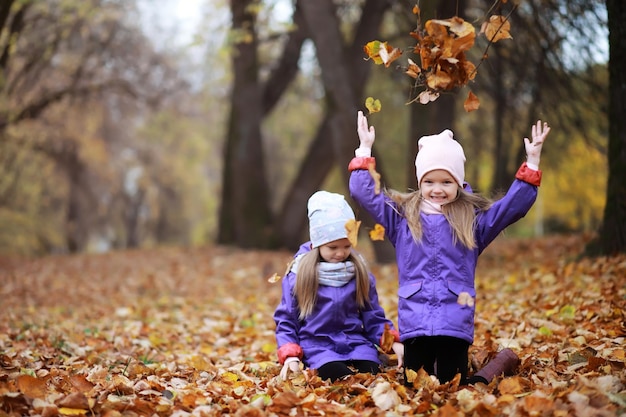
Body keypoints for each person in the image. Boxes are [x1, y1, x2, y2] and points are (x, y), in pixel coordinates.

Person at [348, 111, 550, 385]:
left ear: (458, 182)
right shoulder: (403, 218)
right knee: (414, 384)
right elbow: (365, 195)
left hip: (455, 319)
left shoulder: (472, 221)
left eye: (446, 182)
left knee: (451, 383)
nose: (437, 189)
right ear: (420, 183)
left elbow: (511, 208)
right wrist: (364, 150)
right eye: (429, 182)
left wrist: (533, 163)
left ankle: (489, 371)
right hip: (415, 319)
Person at [274, 190, 404, 382]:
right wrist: (290, 354)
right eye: (332, 248)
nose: (341, 253)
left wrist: (392, 342)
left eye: (346, 246)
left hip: (355, 343)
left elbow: (372, 315)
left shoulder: (359, 271)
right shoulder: (299, 275)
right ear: (317, 245)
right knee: (337, 375)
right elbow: (287, 320)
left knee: (371, 374)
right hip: (318, 346)